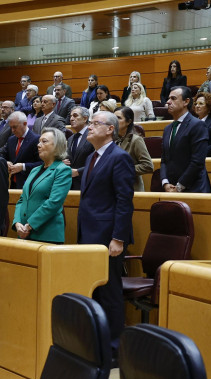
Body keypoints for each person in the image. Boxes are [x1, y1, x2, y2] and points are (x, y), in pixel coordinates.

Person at [78, 110, 134, 351]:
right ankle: (96, 343)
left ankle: (113, 348)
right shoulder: (92, 158)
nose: (89, 127)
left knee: (109, 293)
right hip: (89, 235)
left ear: (110, 129)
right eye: (89, 123)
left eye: (95, 123)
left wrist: (118, 238)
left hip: (108, 238)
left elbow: (124, 200)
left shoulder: (119, 157)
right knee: (94, 291)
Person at [10, 127, 68, 243]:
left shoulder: (62, 170)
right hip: (24, 233)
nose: (38, 145)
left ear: (57, 146)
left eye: (44, 141)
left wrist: (30, 225)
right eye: (39, 141)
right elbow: (22, 199)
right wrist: (17, 223)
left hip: (47, 235)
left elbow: (54, 202)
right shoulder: (35, 170)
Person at [159, 87, 211, 193]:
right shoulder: (167, 129)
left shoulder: (197, 125)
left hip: (194, 189)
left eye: (173, 98)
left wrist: (179, 186)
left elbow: (197, 162)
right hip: (171, 189)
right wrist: (165, 183)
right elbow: (164, 160)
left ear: (186, 102)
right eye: (168, 98)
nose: (168, 102)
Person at [113, 106, 154, 191]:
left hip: (131, 188)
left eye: (119, 118)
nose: (114, 121)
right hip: (113, 189)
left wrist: (125, 169)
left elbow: (148, 166)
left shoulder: (136, 140)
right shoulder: (110, 139)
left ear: (128, 121)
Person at [0, 111, 42, 189]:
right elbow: (0, 155)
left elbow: (42, 163)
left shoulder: (37, 139)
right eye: (11, 127)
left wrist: (23, 166)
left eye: (15, 127)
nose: (12, 130)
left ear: (25, 124)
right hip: (13, 183)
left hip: (30, 185)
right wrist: (5, 162)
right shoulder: (11, 139)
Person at [66, 106, 94, 190]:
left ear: (85, 118)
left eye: (75, 115)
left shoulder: (93, 135)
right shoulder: (71, 138)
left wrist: (78, 172)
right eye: (70, 116)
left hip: (88, 182)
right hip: (71, 184)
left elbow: (98, 161)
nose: (71, 119)